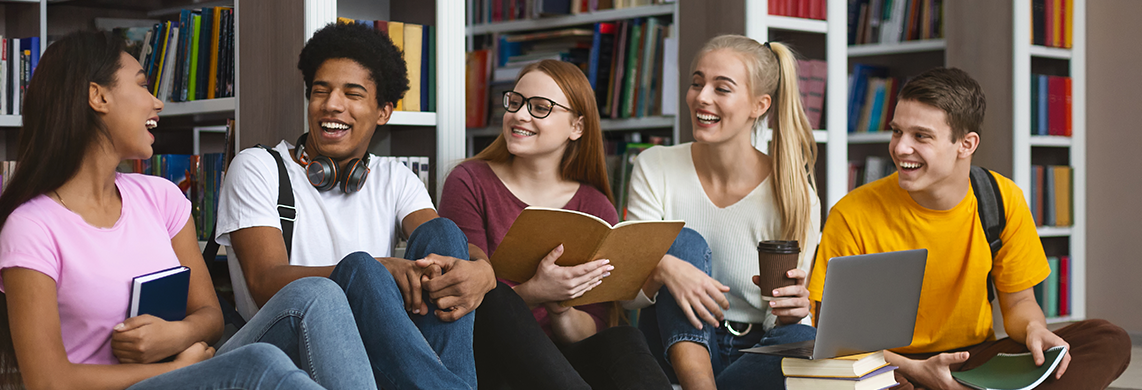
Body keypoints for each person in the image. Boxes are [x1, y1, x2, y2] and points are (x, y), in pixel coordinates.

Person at [0, 30, 376, 390]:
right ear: (98, 97)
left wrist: (176, 335)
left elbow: (211, 316)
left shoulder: (161, 197)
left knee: (316, 293)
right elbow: (48, 380)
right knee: (259, 362)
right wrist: (170, 371)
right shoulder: (31, 226)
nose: (158, 102)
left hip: (185, 365)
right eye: (144, 86)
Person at [809, 67, 1131, 390]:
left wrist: (1035, 329)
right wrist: (917, 369)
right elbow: (834, 341)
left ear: (966, 144)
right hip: (893, 365)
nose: (900, 148)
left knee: (1107, 339)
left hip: (971, 358)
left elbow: (1019, 303)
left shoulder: (1002, 199)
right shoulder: (852, 214)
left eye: (920, 136)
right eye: (896, 132)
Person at [215, 21, 494, 390]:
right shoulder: (258, 167)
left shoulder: (393, 176)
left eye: (353, 94)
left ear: (383, 112)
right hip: (283, 344)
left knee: (442, 232)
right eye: (320, 91)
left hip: (368, 349)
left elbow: (447, 246)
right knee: (360, 269)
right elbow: (264, 282)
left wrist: (484, 272)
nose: (332, 105)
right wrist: (375, 270)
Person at [438, 59, 671, 390]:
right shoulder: (469, 182)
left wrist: (561, 308)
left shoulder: (596, 207)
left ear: (577, 126)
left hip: (560, 364)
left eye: (540, 108)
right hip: (489, 360)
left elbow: (594, 326)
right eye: (515, 102)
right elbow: (469, 305)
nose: (520, 115)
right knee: (494, 293)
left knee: (624, 339)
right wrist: (536, 292)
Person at [623, 35, 822, 390]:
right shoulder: (655, 166)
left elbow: (782, 325)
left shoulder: (795, 193)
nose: (702, 97)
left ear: (759, 105)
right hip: (673, 345)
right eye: (697, 83)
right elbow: (627, 296)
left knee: (805, 335)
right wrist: (665, 268)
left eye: (721, 88)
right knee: (681, 242)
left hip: (755, 352)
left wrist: (792, 309)